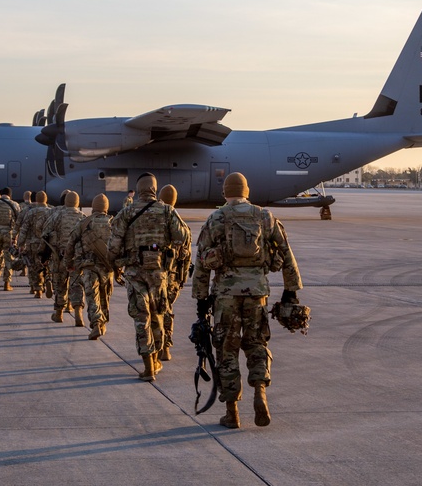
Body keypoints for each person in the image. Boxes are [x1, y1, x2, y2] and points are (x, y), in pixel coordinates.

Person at [192, 172, 303, 429]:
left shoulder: (217, 217)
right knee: (256, 344)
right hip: (257, 293)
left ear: (224, 193)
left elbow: (201, 263)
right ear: (247, 191)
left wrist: (200, 299)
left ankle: (232, 413)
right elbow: (286, 253)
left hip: (226, 296)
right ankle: (260, 394)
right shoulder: (265, 216)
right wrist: (291, 290)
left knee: (226, 351)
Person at [108, 173, 186, 382]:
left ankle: (148, 366)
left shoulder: (126, 212)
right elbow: (181, 237)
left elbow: (114, 245)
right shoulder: (167, 211)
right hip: (158, 272)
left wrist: (115, 266)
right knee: (158, 314)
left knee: (141, 318)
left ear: (138, 188)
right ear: (154, 188)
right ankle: (159, 355)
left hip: (134, 271)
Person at [66, 193, 114, 339]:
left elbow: (70, 243)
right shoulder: (114, 223)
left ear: (93, 207)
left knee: (92, 297)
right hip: (107, 268)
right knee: (105, 297)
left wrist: (68, 262)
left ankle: (97, 323)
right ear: (106, 207)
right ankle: (103, 323)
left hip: (89, 266)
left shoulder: (84, 223)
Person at [157, 184, 192, 361]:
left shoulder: (155, 220)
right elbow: (187, 257)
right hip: (173, 277)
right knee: (167, 309)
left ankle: (154, 345)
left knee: (152, 311)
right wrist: (182, 278)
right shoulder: (182, 225)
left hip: (155, 273)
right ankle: (166, 347)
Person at [42, 191, 85, 322]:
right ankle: (77, 310)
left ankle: (59, 313)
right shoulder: (82, 217)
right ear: (77, 202)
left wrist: (45, 253)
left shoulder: (58, 215)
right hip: (77, 257)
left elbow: (45, 232)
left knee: (60, 284)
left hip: (60, 255)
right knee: (77, 284)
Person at [16, 191, 53, 298]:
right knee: (46, 263)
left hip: (33, 243)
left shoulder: (31, 212)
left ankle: (37, 289)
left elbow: (24, 228)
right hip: (47, 244)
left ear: (36, 199)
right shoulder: (51, 212)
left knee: (33, 267)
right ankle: (47, 279)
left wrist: (20, 243)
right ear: (46, 199)